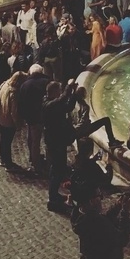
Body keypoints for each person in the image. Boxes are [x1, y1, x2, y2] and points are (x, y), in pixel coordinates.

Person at [71, 184, 130, 259]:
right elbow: (122, 239)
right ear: (91, 201)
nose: (101, 199)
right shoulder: (98, 222)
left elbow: (104, 220)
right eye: (99, 196)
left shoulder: (79, 215)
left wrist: (117, 206)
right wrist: (125, 212)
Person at [42, 79, 78, 212]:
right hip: (54, 142)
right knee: (56, 172)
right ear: (54, 92)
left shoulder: (53, 104)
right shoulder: (47, 104)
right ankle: (52, 200)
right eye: (59, 90)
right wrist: (69, 86)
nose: (60, 92)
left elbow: (67, 107)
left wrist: (74, 94)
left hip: (59, 141)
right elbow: (62, 100)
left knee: (58, 169)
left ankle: (54, 196)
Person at [0, 71, 26, 171]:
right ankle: (8, 163)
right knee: (7, 142)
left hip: (1, 117)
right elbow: (14, 111)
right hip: (9, 121)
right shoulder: (14, 93)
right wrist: (17, 124)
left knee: (3, 140)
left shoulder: (4, 85)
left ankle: (3, 160)